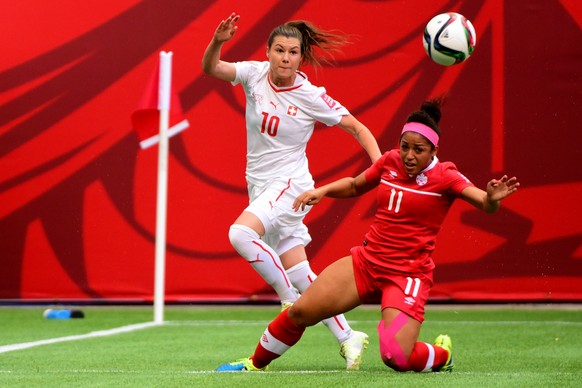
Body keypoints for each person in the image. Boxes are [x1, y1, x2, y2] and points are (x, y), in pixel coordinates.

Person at [216, 97, 520, 372]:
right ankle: (255, 363)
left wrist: (492, 199)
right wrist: (321, 190)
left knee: (396, 357)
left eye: (419, 149)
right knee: (301, 310)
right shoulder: (389, 161)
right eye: (405, 146)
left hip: (407, 275)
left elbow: (483, 202)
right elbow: (354, 185)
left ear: (434, 151)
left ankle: (441, 355)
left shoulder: (446, 176)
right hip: (367, 262)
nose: (409, 155)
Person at [201, 13, 382, 370]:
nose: (285, 57)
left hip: (290, 185)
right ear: (267, 53)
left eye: (293, 52)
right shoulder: (253, 74)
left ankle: (287, 301)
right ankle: (348, 335)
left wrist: (381, 167)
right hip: (260, 185)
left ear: (301, 58)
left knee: (239, 234)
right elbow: (211, 68)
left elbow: (357, 128)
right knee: (300, 272)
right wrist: (218, 40)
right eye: (280, 50)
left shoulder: (311, 95)